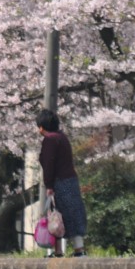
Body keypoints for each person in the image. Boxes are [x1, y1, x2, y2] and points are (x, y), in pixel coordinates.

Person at [36, 109, 87, 257]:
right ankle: (78, 248)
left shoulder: (49, 140)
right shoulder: (62, 137)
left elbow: (49, 164)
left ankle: (58, 251)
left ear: (41, 127)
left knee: (57, 216)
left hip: (59, 182)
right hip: (71, 181)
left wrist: (49, 185)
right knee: (71, 214)